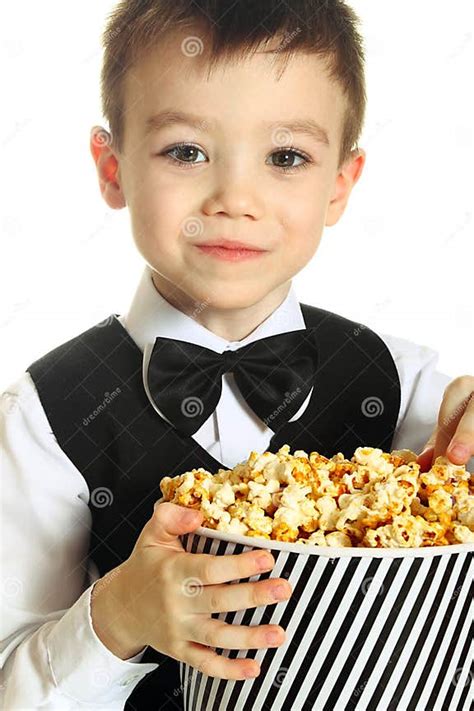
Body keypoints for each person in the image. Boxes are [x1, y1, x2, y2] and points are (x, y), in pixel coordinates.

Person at [1, 1, 473, 709]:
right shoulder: (46, 415)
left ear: (340, 184)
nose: (235, 198)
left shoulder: (401, 387)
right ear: (112, 167)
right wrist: (119, 615)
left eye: (287, 157)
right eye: (186, 151)